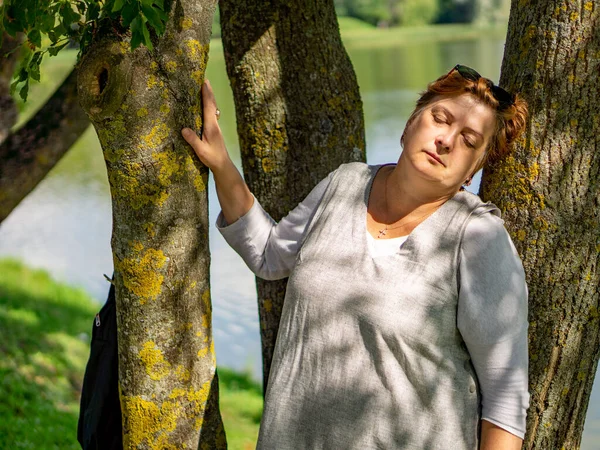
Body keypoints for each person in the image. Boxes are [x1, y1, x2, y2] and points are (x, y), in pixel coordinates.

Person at [181, 65, 530, 450]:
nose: (446, 139)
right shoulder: (345, 184)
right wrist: (220, 164)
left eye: (468, 140)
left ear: (473, 169)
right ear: (412, 121)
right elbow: (269, 254)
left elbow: (505, 398)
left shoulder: (478, 237)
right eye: (440, 118)